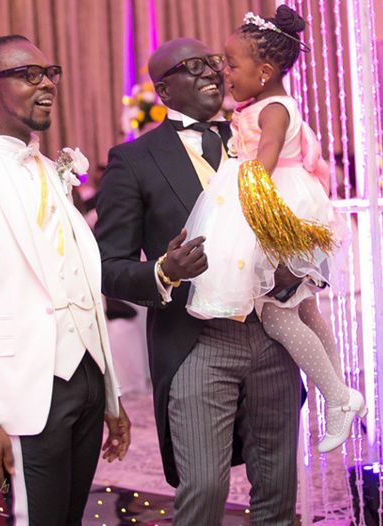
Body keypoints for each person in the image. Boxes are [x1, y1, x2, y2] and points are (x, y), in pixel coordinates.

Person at [0, 34, 130, 526]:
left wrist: (110, 394)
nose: (47, 84)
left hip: (86, 381)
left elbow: (81, 283)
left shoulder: (52, 171)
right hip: (23, 393)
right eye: (30, 75)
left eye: (50, 73)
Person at [96, 36, 303, 526]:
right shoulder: (134, 160)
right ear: (164, 91)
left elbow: (299, 203)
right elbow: (107, 266)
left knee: (277, 489)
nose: (211, 71)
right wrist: (164, 271)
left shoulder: (257, 131)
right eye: (192, 66)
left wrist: (297, 269)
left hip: (273, 332)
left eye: (212, 62)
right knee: (205, 488)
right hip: (196, 342)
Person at [185, 5, 366, 454]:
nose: (225, 73)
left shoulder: (273, 110)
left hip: (279, 207)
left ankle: (338, 398)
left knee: (276, 313)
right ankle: (343, 393)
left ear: (264, 71)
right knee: (304, 308)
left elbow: (264, 159)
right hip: (290, 202)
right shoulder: (269, 104)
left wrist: (244, 199)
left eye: (232, 65)